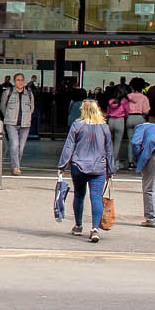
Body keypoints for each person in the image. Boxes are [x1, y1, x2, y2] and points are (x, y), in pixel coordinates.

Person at [57, 98, 113, 244]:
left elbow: (69, 146)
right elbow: (109, 150)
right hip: (99, 168)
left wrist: (62, 166)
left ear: (83, 110)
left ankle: (78, 225)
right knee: (96, 197)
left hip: (79, 166)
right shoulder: (104, 127)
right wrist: (111, 169)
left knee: (79, 195)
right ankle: (95, 228)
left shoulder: (77, 125)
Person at [0, 73, 36, 175]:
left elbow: (32, 108)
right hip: (11, 123)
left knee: (21, 148)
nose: (20, 82)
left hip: (25, 124)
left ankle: (16, 165)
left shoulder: (29, 94)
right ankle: (16, 167)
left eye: (22, 80)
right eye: (18, 80)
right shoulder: (8, 92)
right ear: (14, 81)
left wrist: (27, 116)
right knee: (14, 145)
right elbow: (2, 106)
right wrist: (8, 116)